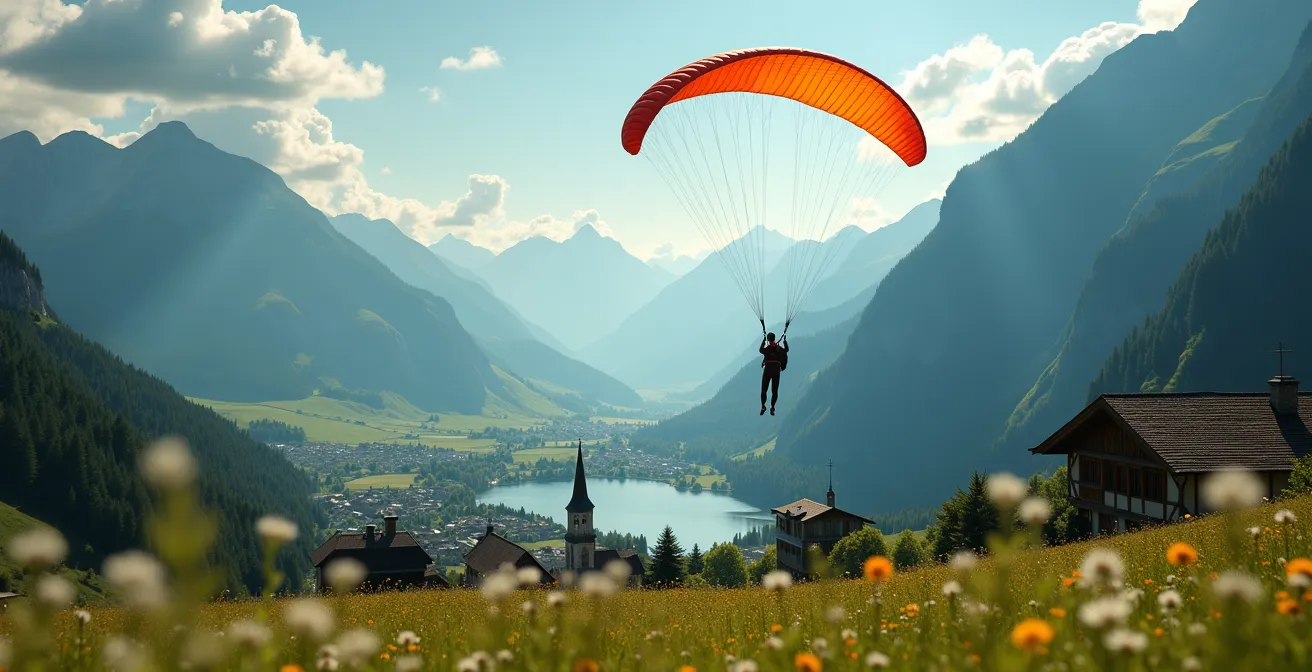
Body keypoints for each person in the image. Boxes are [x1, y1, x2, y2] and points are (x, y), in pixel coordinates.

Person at [759, 332, 789, 415]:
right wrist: (785, 341)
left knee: (764, 390)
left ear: (768, 340)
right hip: (776, 370)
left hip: (768, 370)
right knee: (774, 391)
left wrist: (763, 340)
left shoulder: (767, 349)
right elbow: (786, 350)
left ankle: (763, 406)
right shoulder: (779, 349)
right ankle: (772, 407)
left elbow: (760, 349)